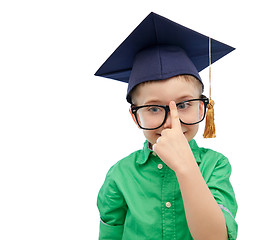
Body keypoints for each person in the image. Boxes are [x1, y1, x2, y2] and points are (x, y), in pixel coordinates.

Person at [95, 12, 238, 240]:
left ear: (202, 108)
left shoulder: (215, 166)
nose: (173, 122)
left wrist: (185, 167)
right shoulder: (120, 175)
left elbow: (216, 237)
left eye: (183, 105)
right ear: (135, 117)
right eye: (153, 108)